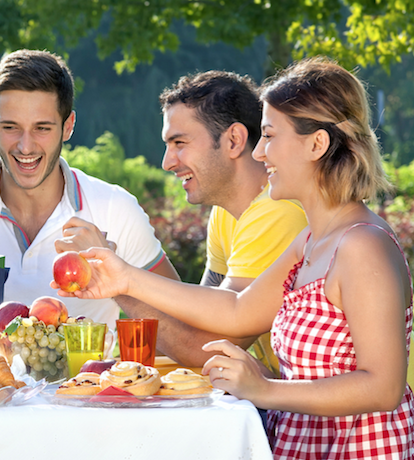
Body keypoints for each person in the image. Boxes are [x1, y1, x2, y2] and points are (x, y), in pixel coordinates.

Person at [57, 57, 414, 458]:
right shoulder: (312, 240)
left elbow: (383, 387)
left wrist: (265, 389)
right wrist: (123, 279)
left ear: (316, 144)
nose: (259, 153)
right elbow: (236, 309)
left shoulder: (363, 246)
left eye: (270, 136)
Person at [0, 49, 180, 346]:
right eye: (10, 127)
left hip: (84, 391)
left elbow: (179, 322)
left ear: (68, 126)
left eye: (42, 128)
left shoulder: (116, 209)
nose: (26, 147)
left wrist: (117, 282)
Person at [134, 71, 307, 371]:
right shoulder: (227, 212)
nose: (167, 162)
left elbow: (207, 350)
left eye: (179, 142)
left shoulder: (278, 211)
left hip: (319, 413)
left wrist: (117, 284)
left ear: (234, 141)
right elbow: (199, 322)